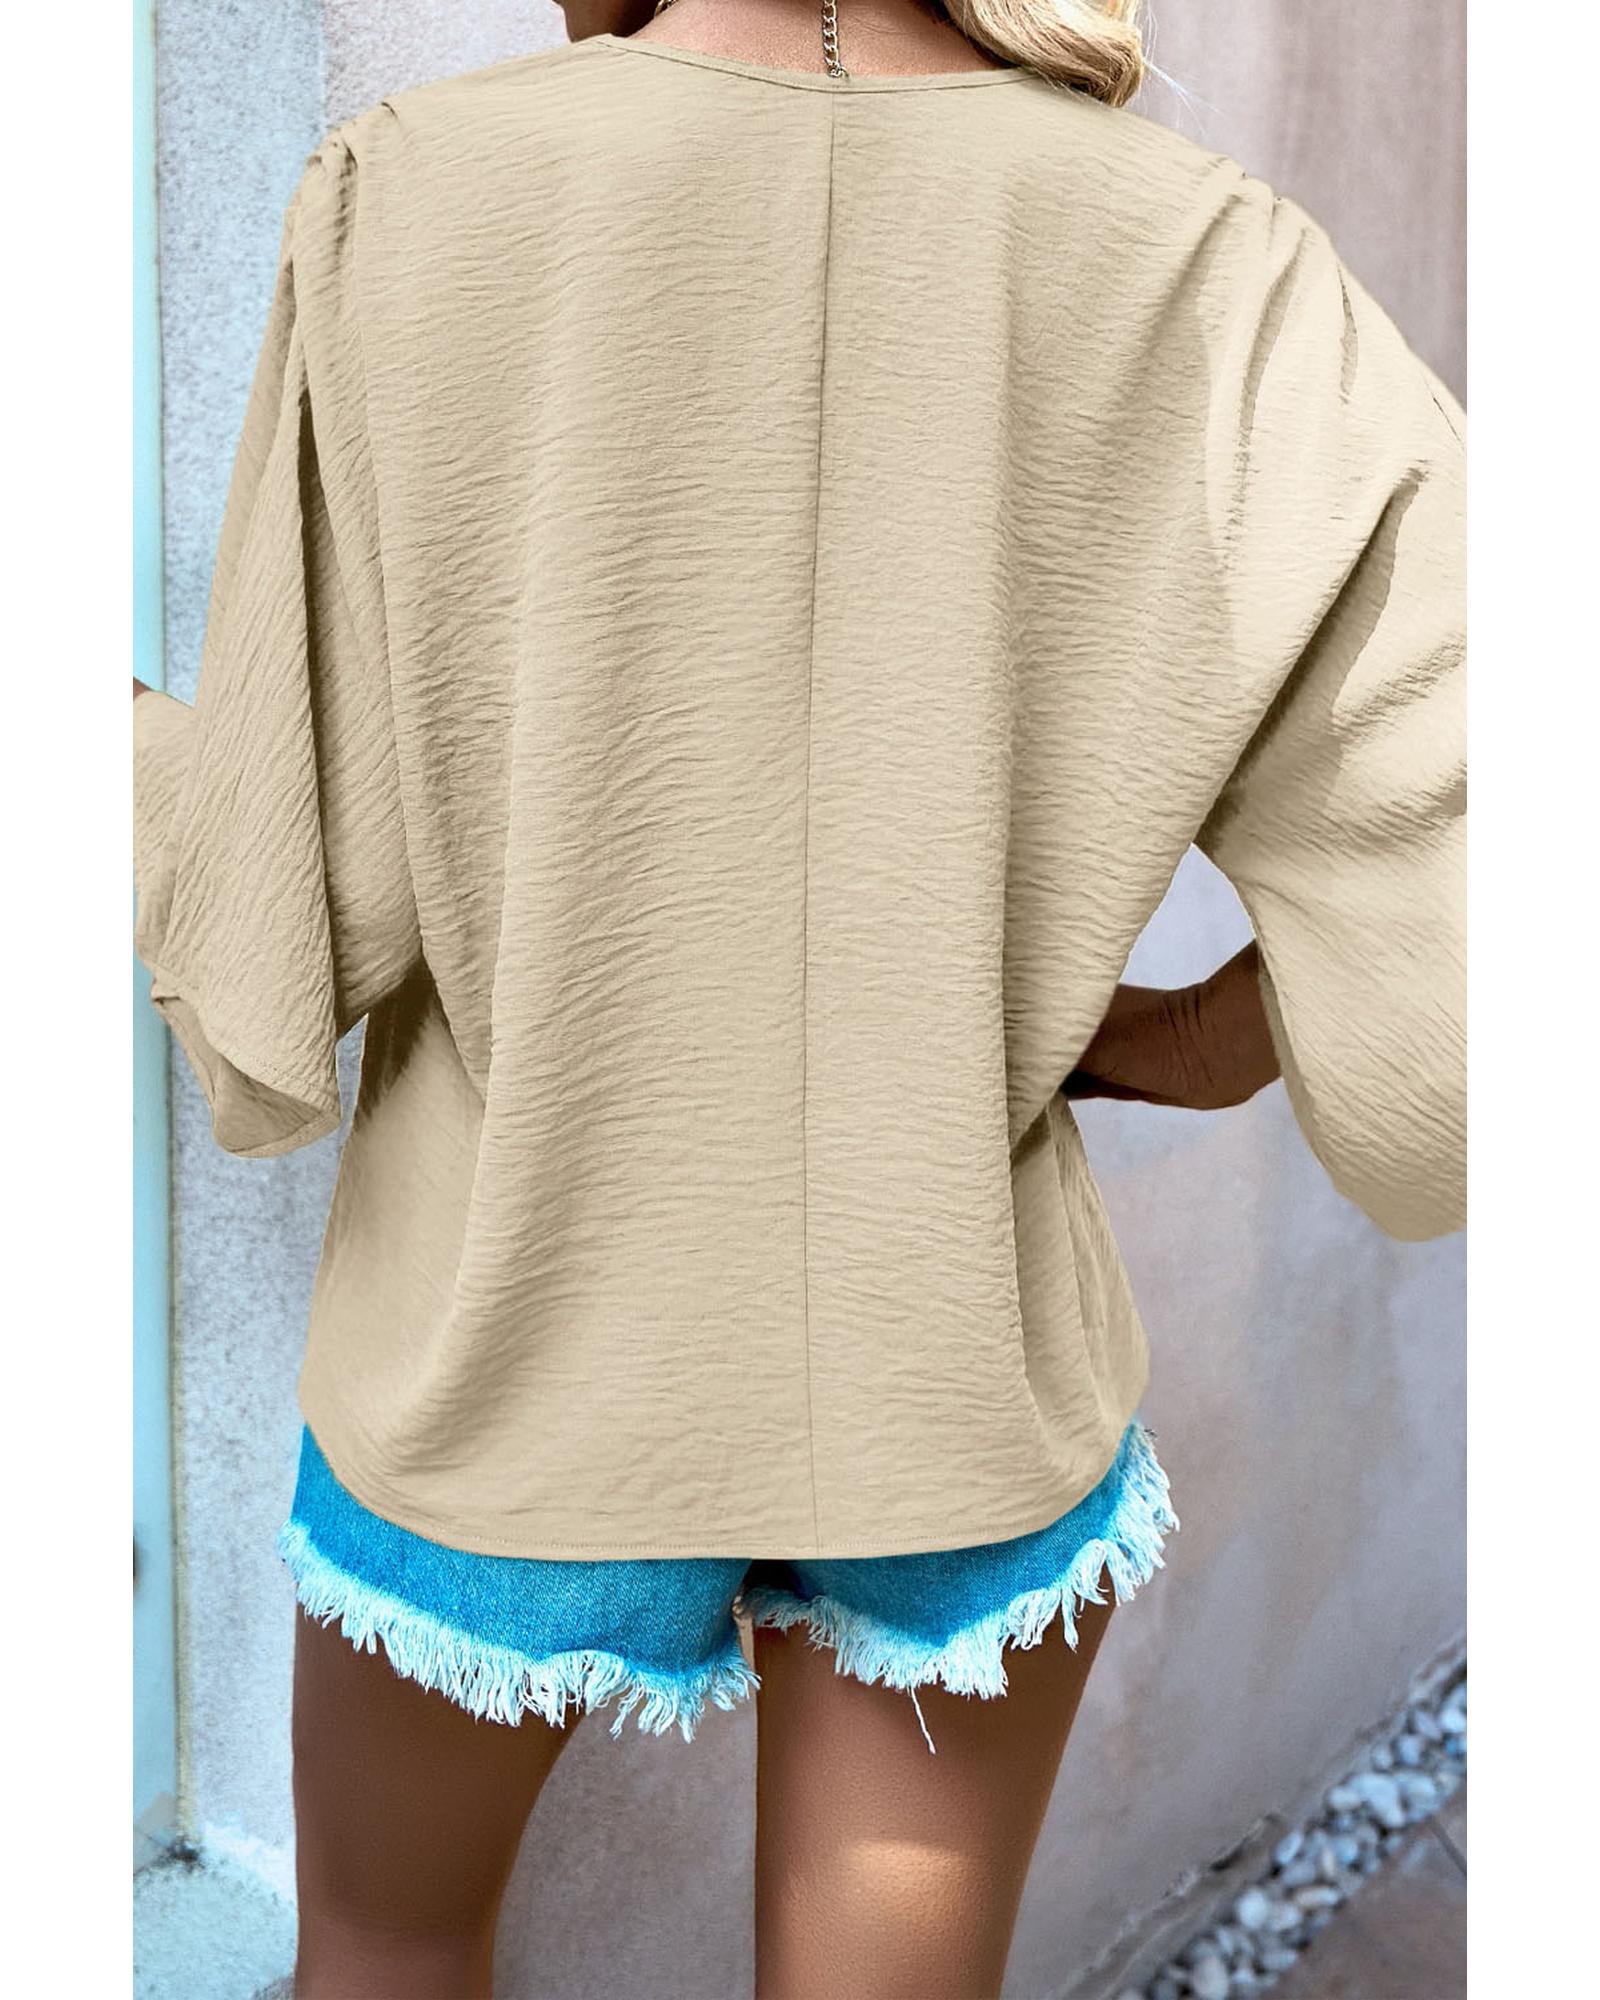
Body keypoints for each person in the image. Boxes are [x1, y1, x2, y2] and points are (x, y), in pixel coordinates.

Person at [131, 1, 1466, 1994]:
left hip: (504, 1357)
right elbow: (1476, 935)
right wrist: (1185, 1037)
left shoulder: (415, 194)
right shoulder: (1219, 262)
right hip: (956, 1373)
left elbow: (293, 923)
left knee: (385, 1946)